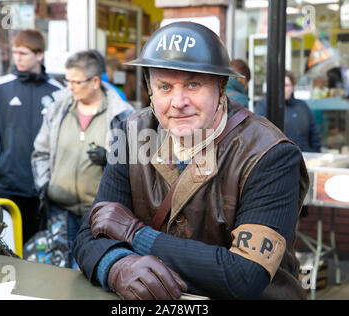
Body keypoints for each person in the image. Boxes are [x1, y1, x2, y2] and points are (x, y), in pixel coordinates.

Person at [75, 22, 309, 300]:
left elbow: (245, 275)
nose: (178, 101)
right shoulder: (132, 133)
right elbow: (91, 233)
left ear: (221, 87)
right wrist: (116, 267)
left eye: (193, 84)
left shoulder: (270, 153)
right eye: (164, 87)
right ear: (150, 90)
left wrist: (136, 235)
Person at [31, 50, 134, 269]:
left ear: (95, 81)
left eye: (76, 82)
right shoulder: (58, 108)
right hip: (60, 211)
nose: (70, 86)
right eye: (67, 80)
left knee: (88, 274)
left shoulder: (122, 114)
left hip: (98, 214)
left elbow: (133, 164)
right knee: (57, 273)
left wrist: (108, 157)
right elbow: (40, 152)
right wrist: (46, 186)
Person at [0, 29, 63, 244]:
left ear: (39, 55)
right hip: (7, 186)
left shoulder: (58, 91)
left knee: (36, 251)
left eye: (24, 53)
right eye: (15, 52)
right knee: (3, 249)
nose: (17, 57)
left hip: (41, 187)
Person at [255, 70, 321, 153]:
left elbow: (314, 133)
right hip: (279, 160)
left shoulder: (302, 106)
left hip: (304, 158)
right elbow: (260, 136)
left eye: (286, 85)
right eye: (279, 85)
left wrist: (314, 153)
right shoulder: (265, 106)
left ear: (292, 87)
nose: (282, 89)